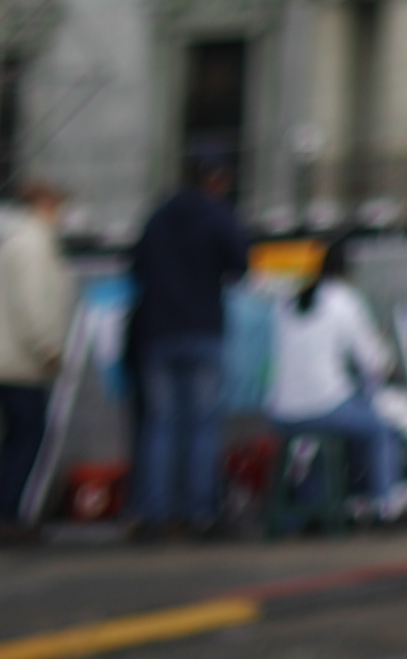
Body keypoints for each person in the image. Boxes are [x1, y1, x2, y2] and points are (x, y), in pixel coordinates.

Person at [123, 160, 250, 542]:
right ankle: (198, 513)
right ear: (218, 179)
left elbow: (135, 268)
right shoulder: (218, 214)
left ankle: (155, 513)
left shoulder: (158, 217)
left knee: (160, 426)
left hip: (157, 332)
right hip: (202, 330)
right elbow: (240, 265)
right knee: (203, 426)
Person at [256, 246, 402, 536]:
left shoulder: (289, 300)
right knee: (382, 430)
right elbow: (374, 361)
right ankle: (386, 508)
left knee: (327, 444)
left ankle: (306, 511)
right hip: (324, 406)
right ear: (347, 273)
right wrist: (389, 367)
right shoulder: (344, 299)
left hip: (280, 412)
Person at [0, 180, 75, 545]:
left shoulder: (7, 242)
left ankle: (3, 511)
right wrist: (48, 348)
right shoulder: (33, 245)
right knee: (27, 438)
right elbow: (32, 303)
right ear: (45, 204)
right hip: (19, 363)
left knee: (13, 438)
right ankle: (7, 515)